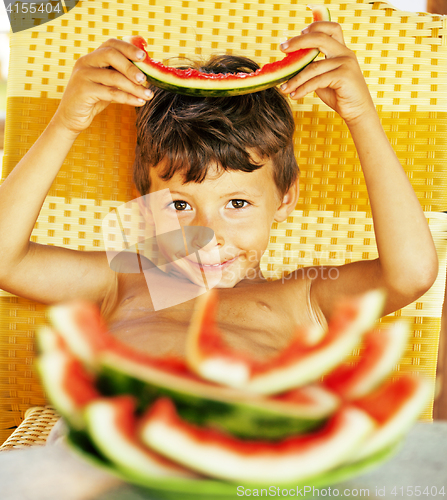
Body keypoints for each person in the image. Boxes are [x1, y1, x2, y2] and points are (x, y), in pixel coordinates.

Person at [0, 21, 438, 363]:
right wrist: (67, 123)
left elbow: (411, 274)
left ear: (285, 199)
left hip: (252, 468)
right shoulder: (126, 279)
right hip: (119, 458)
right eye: (178, 204)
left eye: (237, 203)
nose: (206, 233)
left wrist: (360, 115)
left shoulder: (303, 296)